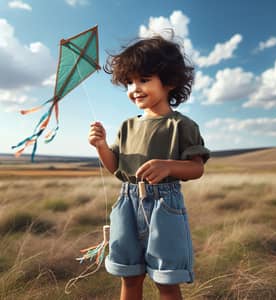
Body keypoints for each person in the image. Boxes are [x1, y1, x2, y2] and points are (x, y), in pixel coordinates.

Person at [88, 34, 210, 300]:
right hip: (126, 203)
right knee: (130, 277)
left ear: (169, 82)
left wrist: (168, 166)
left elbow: (196, 168)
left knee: (166, 281)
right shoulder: (127, 126)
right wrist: (101, 147)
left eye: (144, 79)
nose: (135, 88)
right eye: (129, 82)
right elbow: (117, 168)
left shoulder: (181, 125)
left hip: (164, 206)